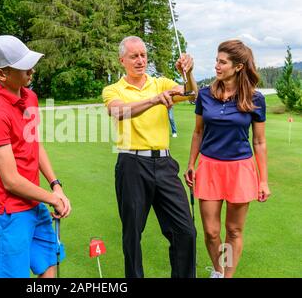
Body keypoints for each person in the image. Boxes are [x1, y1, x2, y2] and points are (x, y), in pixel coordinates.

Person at [102, 36, 198, 278]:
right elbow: (118, 111)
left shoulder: (160, 82)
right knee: (132, 234)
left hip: (164, 164)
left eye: (143, 55)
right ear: (121, 60)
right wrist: (154, 100)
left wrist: (188, 73)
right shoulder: (114, 90)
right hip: (131, 164)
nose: (140, 60)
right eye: (134, 56)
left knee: (185, 230)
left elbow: (191, 94)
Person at [0, 35, 72, 278]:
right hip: (7, 211)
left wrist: (56, 186)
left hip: (32, 202)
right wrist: (51, 199)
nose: (31, 71)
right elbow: (10, 180)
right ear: (1, 74)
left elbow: (34, 145)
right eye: (23, 67)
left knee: (48, 261)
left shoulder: (29, 97)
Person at [184, 40, 271, 278]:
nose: (217, 66)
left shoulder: (255, 98)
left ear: (238, 67)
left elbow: (259, 142)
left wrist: (263, 180)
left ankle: (227, 277)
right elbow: (198, 132)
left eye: (222, 62)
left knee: (233, 230)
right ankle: (218, 271)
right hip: (209, 167)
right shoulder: (205, 95)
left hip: (240, 169)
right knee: (211, 231)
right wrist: (191, 164)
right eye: (216, 60)